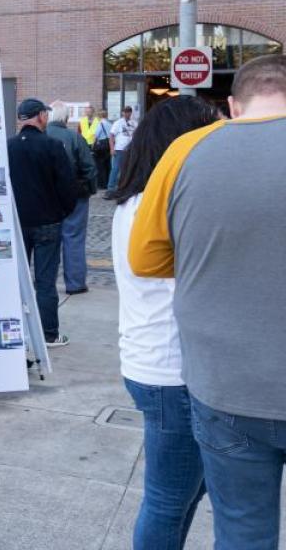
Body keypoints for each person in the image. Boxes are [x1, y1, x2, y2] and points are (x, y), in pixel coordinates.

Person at [129, 55, 286, 549]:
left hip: (228, 384)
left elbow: (146, 259)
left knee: (243, 528)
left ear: (235, 105)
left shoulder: (187, 150)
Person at [112, 96, 219, 550]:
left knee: (184, 493)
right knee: (168, 500)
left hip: (155, 362)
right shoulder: (165, 207)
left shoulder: (136, 201)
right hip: (171, 370)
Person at [6, 98, 76, 347]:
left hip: (18, 222)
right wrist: (61, 212)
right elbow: (68, 188)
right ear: (41, 117)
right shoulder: (53, 146)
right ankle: (49, 333)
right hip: (48, 222)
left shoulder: (8, 147)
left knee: (16, 278)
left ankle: (15, 331)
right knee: (45, 281)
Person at [46, 101, 97, 295]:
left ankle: (46, 283)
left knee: (47, 241)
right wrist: (89, 190)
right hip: (75, 197)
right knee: (74, 238)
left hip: (47, 199)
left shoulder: (42, 137)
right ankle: (75, 283)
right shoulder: (75, 138)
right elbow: (89, 169)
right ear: (66, 118)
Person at [105, 105, 137, 196]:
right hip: (119, 149)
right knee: (115, 169)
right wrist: (112, 148)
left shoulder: (134, 123)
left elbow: (136, 135)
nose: (127, 113)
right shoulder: (118, 123)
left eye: (129, 111)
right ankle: (111, 188)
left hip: (130, 150)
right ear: (122, 113)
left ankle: (124, 186)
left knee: (127, 169)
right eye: (125, 111)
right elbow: (111, 136)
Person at [93, 109, 112, 190]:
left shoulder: (100, 124)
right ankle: (108, 182)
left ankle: (102, 184)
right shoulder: (110, 124)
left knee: (100, 165)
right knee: (108, 165)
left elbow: (96, 136)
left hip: (101, 146)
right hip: (108, 145)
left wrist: (93, 146)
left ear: (99, 116)